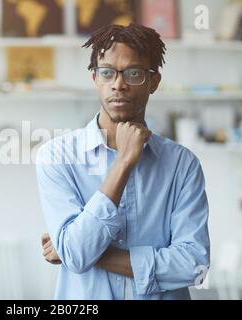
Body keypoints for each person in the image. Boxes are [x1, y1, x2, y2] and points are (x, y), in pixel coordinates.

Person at [35, 23, 210, 300]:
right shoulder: (57, 157)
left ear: (154, 81)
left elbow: (193, 265)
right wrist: (124, 163)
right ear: (95, 79)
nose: (119, 83)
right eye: (107, 72)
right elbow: (75, 254)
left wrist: (76, 251)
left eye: (134, 73)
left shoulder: (182, 165)